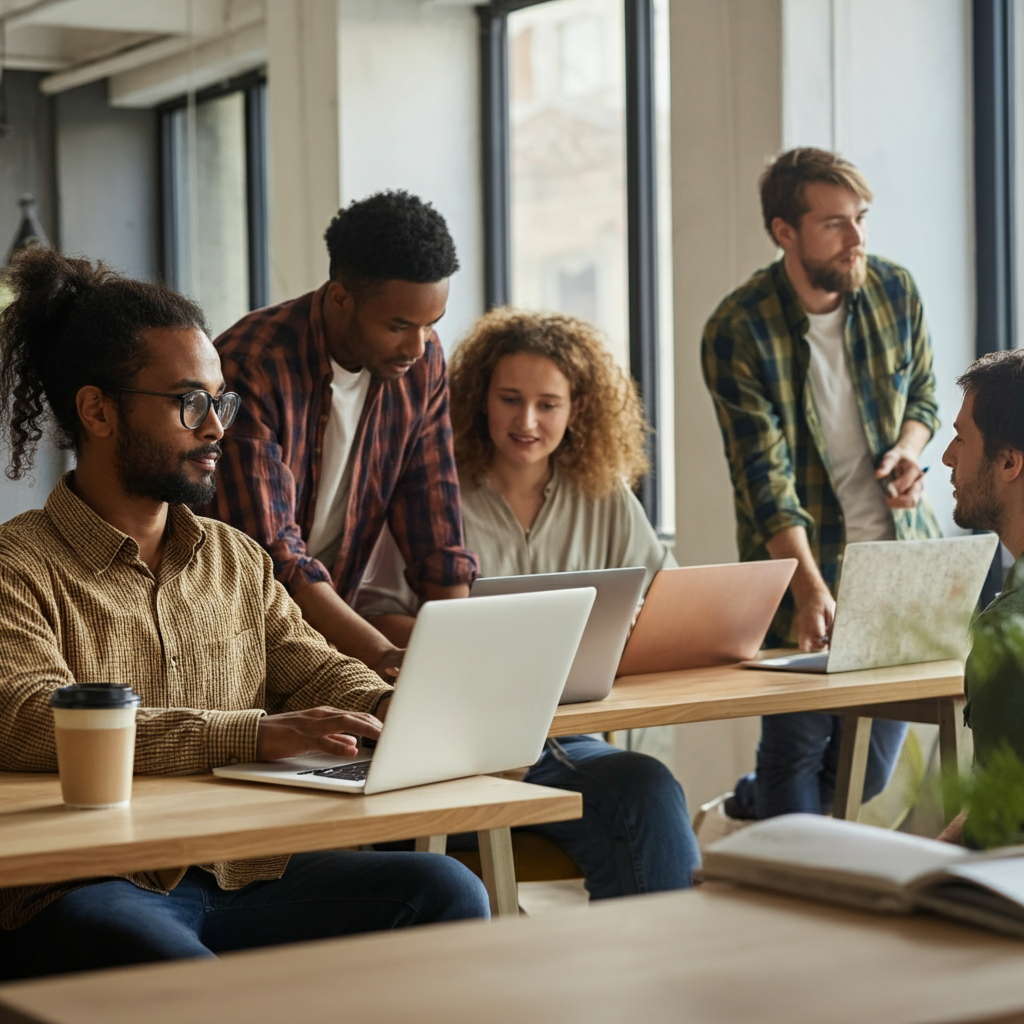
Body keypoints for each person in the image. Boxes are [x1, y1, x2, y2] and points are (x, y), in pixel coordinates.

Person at [0, 249, 489, 980]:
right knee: (178, 968)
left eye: (219, 402)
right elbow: (29, 717)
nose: (216, 429)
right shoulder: (18, 565)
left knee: (447, 891)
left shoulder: (235, 557)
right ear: (98, 410)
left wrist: (398, 706)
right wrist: (253, 735)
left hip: (244, 872)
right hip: (96, 883)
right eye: (188, 402)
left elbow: (312, 669)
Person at [358, 308, 701, 899]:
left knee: (647, 790)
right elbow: (375, 616)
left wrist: (639, 626)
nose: (526, 421)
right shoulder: (432, 494)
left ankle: (659, 972)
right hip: (451, 741)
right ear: (478, 400)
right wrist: (453, 635)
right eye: (509, 399)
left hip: (565, 735)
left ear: (578, 409)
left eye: (548, 404)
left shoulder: (605, 497)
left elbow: (666, 601)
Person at [701, 147, 942, 820]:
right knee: (797, 756)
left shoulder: (895, 290)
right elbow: (764, 474)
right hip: (797, 570)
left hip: (894, 567)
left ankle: (739, 810)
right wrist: (809, 587)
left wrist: (908, 451)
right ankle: (790, 899)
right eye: (836, 223)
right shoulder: (736, 329)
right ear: (785, 232)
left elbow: (923, 394)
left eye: (861, 218)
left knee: (862, 775)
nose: (857, 238)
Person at [212, 190, 477, 679]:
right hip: (228, 644)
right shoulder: (251, 365)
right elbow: (271, 557)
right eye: (399, 325)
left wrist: (458, 644)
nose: (418, 346)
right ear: (339, 296)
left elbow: (433, 520)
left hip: (332, 637)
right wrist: (381, 657)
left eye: (430, 325)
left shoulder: (421, 363)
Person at [937, 351, 1024, 844]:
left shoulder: (1009, 631)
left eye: (962, 438)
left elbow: (998, 837)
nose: (948, 456)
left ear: (1008, 462)